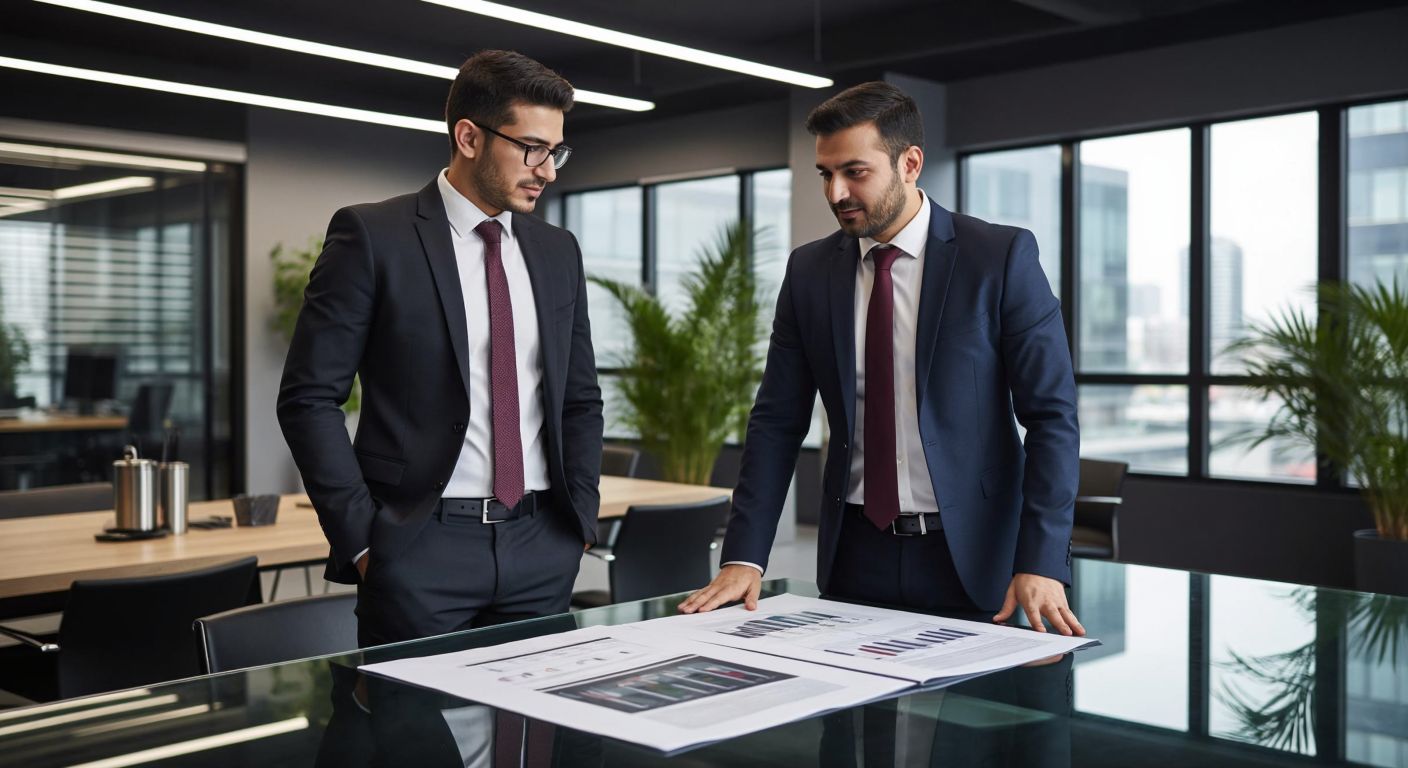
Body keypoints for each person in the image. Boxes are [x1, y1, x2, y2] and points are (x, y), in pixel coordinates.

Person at [680, 82, 1084, 636]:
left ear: (910, 163)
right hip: (854, 553)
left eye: (855, 171)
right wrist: (744, 555)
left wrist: (1040, 559)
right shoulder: (808, 272)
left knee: (984, 721)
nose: (836, 192)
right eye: (826, 174)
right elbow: (777, 420)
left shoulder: (999, 258)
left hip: (975, 553)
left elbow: (1051, 418)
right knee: (850, 722)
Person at [278, 49, 603, 647]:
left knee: (535, 737)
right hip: (419, 550)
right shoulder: (372, 236)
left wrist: (578, 518)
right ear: (469, 136)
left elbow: (578, 397)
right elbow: (308, 399)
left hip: (542, 546)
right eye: (532, 148)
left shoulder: (558, 251)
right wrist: (365, 543)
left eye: (556, 151)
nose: (548, 170)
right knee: (409, 739)